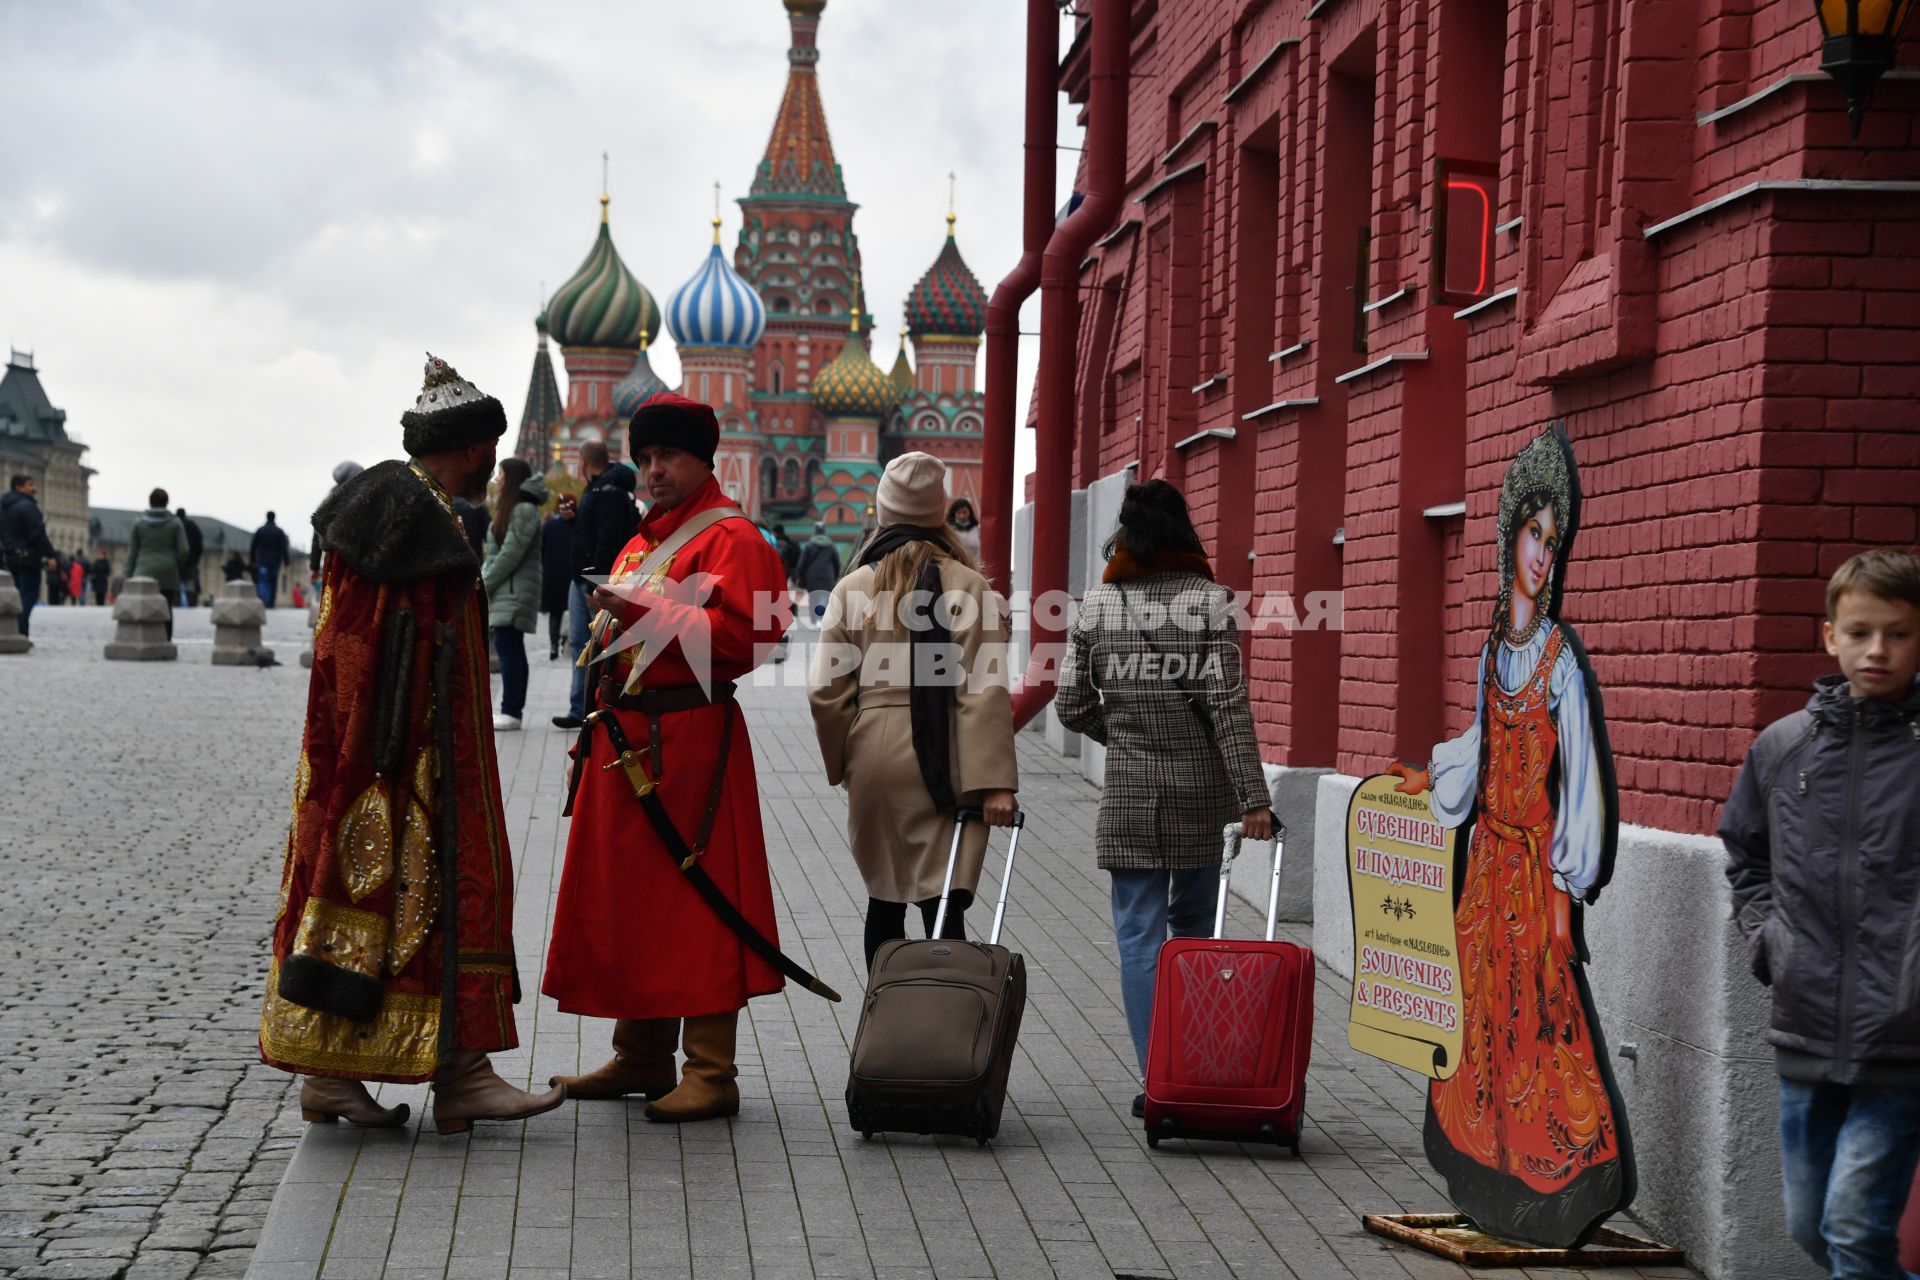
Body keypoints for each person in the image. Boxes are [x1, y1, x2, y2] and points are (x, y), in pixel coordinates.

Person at [259, 352, 564, 1135]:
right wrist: (386, 750)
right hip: (401, 758)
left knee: (405, 903)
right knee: (406, 898)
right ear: (471, 448)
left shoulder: (407, 510)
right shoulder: (408, 519)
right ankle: (423, 1075)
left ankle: (426, 1074)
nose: (494, 462)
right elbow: (372, 652)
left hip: (392, 753)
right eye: (488, 448)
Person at [1385, 429, 1628, 1246]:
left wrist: (1571, 884)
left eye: (1553, 541)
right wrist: (1432, 778)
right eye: (1533, 534)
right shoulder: (1496, 651)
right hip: (1485, 869)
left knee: (1540, 1030)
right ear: (1507, 538)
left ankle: (1555, 1184)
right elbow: (1480, 746)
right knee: (1481, 1025)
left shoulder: (1560, 659)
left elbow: (1583, 776)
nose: (1542, 555)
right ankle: (1485, 1172)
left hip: (1531, 874)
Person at [544, 391, 792, 1124]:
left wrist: (642, 611)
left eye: (667, 457)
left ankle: (711, 1071)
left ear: (701, 459)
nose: (653, 471)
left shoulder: (735, 540)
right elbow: (611, 647)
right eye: (645, 457)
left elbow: (753, 640)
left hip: (689, 746)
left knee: (698, 904)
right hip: (626, 743)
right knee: (636, 904)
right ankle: (642, 1055)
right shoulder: (642, 539)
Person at [1723, 547, 1920, 1280]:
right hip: (1806, 1026)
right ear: (1829, 635)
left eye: (1898, 632)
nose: (1878, 649)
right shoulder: (1783, 747)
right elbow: (1746, 855)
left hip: (1906, 1041)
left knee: (1854, 1229)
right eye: (1861, 630)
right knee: (1812, 1228)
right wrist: (1769, 936)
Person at [1056, 478, 1274, 1119]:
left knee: (1137, 936)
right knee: (1194, 931)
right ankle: (1196, 1060)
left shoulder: (1097, 605)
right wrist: (1252, 798)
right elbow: (1229, 710)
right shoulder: (1211, 602)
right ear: (1184, 532)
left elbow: (1070, 705)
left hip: (1128, 792)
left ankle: (1159, 1080)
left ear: (1124, 535)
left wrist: (1120, 736)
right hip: (1201, 793)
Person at [808, 452, 1018, 968]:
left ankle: (885, 1015)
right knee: (942, 898)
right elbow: (983, 691)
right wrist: (997, 782)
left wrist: (843, 760)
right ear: (938, 514)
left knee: (884, 896)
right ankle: (940, 1015)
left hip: (873, 751)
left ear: (883, 512)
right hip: (946, 755)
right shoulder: (970, 588)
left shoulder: (852, 586)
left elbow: (825, 691)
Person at [554, 439, 638, 729]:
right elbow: (593, 533)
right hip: (585, 579)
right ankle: (580, 707)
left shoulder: (608, 491)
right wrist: (573, 520)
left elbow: (608, 540)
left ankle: (598, 705)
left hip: (594, 583)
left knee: (600, 645)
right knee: (581, 644)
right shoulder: (600, 488)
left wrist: (596, 584)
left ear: (584, 460)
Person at [480, 457, 546, 731]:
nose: (497, 479)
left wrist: (484, 583)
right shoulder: (516, 509)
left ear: (513, 478)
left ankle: (511, 710)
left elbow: (510, 554)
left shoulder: (522, 510)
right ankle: (509, 709)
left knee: (510, 649)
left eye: (502, 475)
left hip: (513, 590)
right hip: (508, 589)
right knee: (509, 648)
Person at [127, 490, 189, 641]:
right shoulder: (175, 523)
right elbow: (184, 550)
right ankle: (166, 640)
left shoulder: (139, 523)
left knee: (142, 607)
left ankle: (142, 639)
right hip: (168, 571)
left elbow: (132, 552)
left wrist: (130, 573)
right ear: (167, 503)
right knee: (166, 608)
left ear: (150, 502)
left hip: (143, 571)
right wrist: (176, 566)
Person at [1, 475, 59, 635]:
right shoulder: (27, 507)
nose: (34, 488)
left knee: (15, 595)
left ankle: (14, 630)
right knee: (28, 596)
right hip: (28, 558)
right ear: (19, 487)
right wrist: (50, 555)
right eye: (30, 485)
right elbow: (37, 534)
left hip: (10, 557)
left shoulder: (4, 507)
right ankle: (19, 630)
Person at [541, 493, 576, 660]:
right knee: (568, 611)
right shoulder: (577, 527)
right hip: (567, 573)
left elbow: (541, 551)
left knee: (556, 613)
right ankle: (563, 642)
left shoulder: (548, 527)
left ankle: (556, 643)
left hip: (554, 574)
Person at [795, 521, 840, 623]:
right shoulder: (831, 546)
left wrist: (799, 576)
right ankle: (822, 618)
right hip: (828, 576)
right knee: (825, 596)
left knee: (814, 597)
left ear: (814, 531)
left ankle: (816, 619)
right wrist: (835, 576)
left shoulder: (809, 546)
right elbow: (837, 563)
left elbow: (802, 564)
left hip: (812, 577)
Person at [250, 511, 290, 608]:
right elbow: (284, 548)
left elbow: (253, 546)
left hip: (263, 560)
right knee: (273, 581)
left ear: (266, 517)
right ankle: (271, 602)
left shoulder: (260, 530)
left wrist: (252, 560)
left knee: (262, 581)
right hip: (275, 561)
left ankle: (263, 599)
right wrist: (286, 562)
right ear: (274, 518)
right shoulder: (279, 532)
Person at [176, 508, 204, 606]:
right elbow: (199, 545)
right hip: (191, 562)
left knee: (175, 586)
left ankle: (176, 603)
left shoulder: (174, 526)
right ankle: (192, 603)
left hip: (175, 562)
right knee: (191, 586)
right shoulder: (192, 526)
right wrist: (196, 559)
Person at [945, 497, 981, 564]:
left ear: (970, 512)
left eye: (964, 512)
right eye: (959, 513)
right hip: (957, 566)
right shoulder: (949, 529)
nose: (962, 515)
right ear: (954, 513)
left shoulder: (977, 528)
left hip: (976, 566)